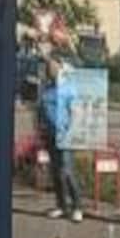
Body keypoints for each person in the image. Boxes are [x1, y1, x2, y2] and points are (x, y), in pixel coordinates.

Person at [37, 41, 84, 223]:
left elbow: (76, 112)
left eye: (54, 67)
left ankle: (77, 206)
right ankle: (61, 206)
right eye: (49, 68)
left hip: (65, 135)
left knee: (67, 171)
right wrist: (40, 130)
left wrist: (70, 132)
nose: (50, 70)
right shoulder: (46, 89)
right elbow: (41, 112)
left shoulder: (68, 88)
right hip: (50, 134)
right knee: (56, 172)